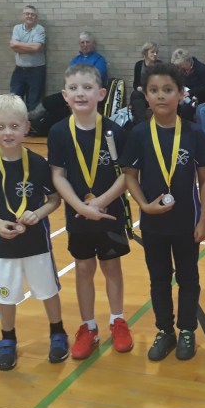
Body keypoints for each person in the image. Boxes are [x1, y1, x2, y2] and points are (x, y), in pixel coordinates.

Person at [119, 63, 205, 362]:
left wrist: (204, 219)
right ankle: (165, 330)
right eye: (154, 90)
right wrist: (143, 206)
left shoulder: (194, 133)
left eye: (168, 90)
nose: (161, 96)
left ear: (181, 94)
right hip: (153, 225)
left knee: (189, 279)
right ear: (146, 96)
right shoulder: (138, 134)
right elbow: (129, 176)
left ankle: (186, 330)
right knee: (159, 280)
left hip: (187, 224)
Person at [0, 94, 68, 370]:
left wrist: (38, 213)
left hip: (37, 244)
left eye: (14, 126)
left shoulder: (37, 164)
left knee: (48, 291)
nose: (7, 133)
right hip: (3, 246)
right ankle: (8, 339)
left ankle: (58, 333)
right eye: (0, 127)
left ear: (26, 127)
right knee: (6, 296)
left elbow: (54, 200)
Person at [47, 64, 133, 359]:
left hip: (110, 213)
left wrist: (99, 202)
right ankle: (89, 326)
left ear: (101, 94)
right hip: (78, 216)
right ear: (65, 95)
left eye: (87, 88)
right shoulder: (59, 132)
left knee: (111, 267)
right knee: (83, 268)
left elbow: (126, 175)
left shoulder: (114, 131)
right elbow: (57, 175)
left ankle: (117, 320)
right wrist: (80, 206)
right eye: (73, 88)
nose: (80, 93)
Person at [30, 32, 109, 137]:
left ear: (93, 44)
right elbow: (69, 77)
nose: (85, 45)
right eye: (82, 42)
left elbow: (94, 77)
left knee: (59, 109)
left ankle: (38, 125)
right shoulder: (75, 59)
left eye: (87, 42)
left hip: (89, 94)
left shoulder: (99, 59)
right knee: (49, 102)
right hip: (72, 92)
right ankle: (33, 120)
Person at [9, 5, 46, 111]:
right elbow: (13, 46)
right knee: (14, 100)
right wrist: (30, 47)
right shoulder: (17, 28)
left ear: (36, 17)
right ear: (23, 15)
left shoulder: (40, 29)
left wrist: (19, 45)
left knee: (33, 102)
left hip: (36, 71)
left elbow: (36, 48)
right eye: (27, 14)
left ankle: (31, 121)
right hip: (19, 70)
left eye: (32, 14)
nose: (29, 16)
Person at [171, 48, 205, 120]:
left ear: (187, 61)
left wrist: (190, 92)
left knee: (185, 108)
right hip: (185, 94)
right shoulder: (181, 69)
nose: (179, 68)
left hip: (199, 96)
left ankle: (187, 125)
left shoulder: (201, 69)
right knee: (172, 104)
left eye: (180, 65)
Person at [130, 42, 160, 125]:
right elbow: (135, 84)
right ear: (146, 53)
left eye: (156, 52)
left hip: (155, 94)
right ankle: (141, 124)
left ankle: (141, 124)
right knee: (135, 94)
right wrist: (138, 88)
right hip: (143, 94)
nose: (155, 54)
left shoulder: (159, 65)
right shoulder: (139, 65)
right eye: (152, 52)